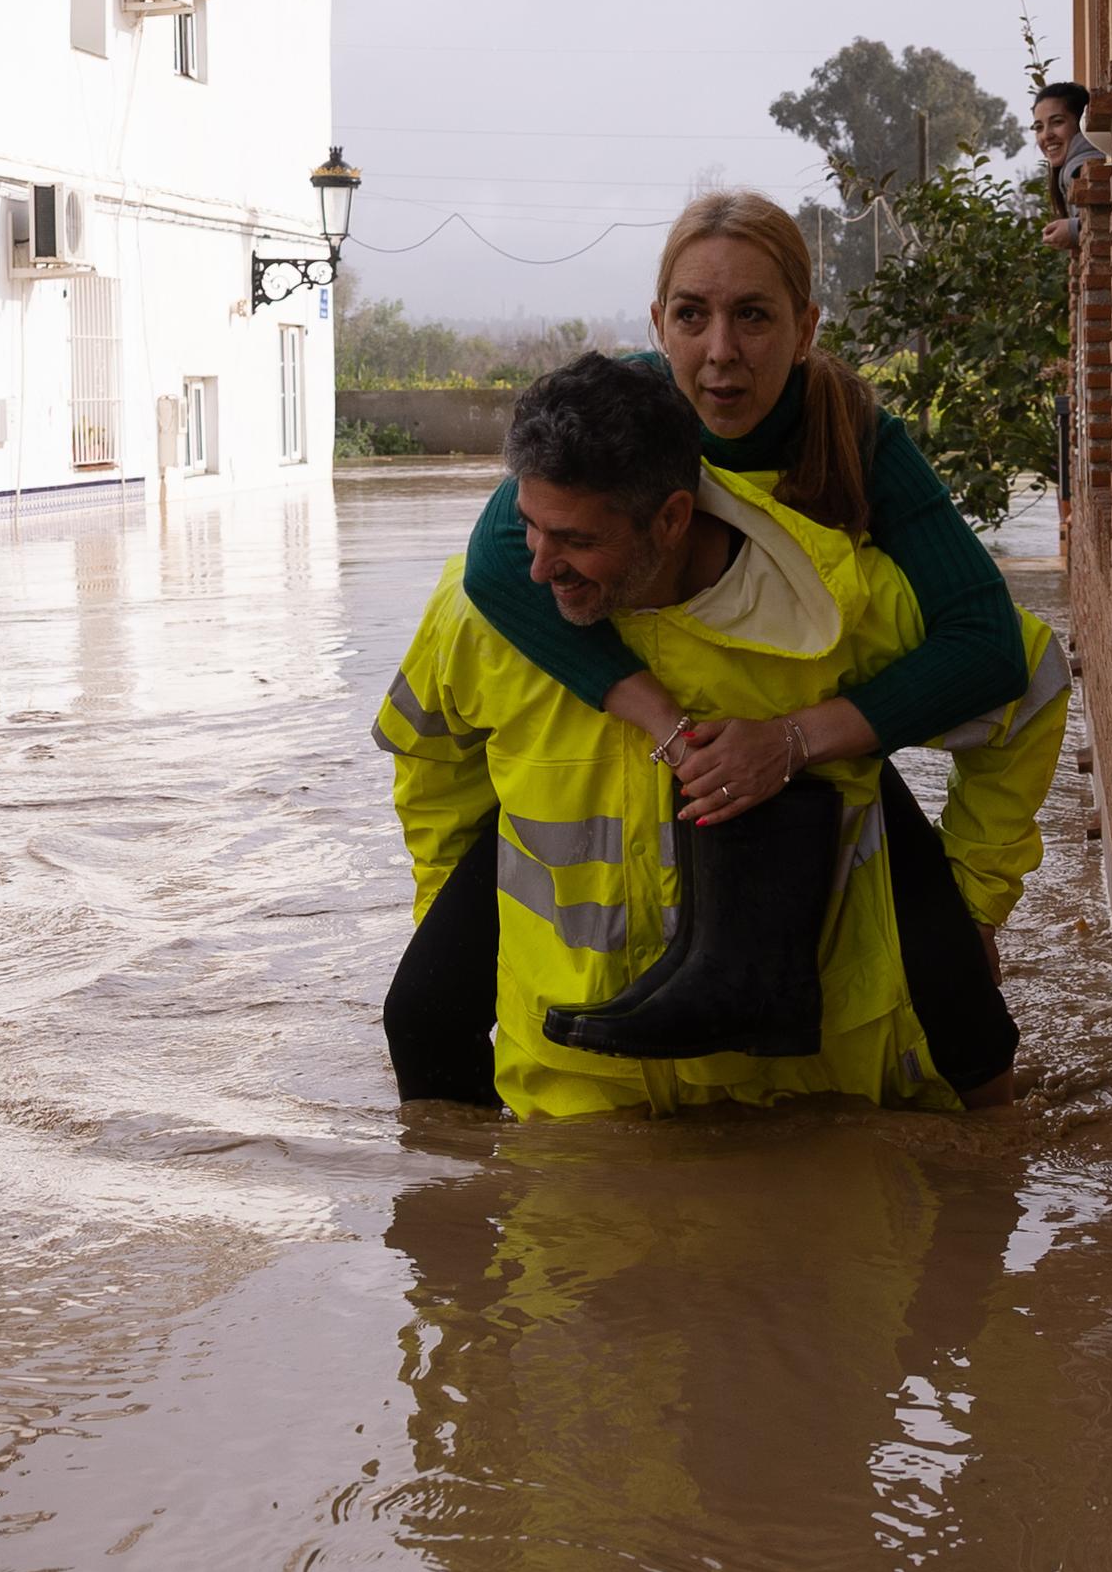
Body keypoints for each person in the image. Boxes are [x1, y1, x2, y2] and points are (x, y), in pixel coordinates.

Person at [446, 194, 1062, 1097]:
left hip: (810, 747)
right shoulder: (618, 409)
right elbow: (497, 563)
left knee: (973, 1040)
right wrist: (663, 718)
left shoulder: (857, 436)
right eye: (692, 316)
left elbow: (991, 646)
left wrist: (794, 741)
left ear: (806, 327)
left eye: (754, 317)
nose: (720, 352)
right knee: (422, 1011)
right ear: (659, 325)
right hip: (653, 750)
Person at [1030, 77, 1096, 255]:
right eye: (1039, 127)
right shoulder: (1081, 164)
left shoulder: (1079, 169)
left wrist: (1076, 229)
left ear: (1082, 122)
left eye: (1057, 122)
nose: (1046, 135)